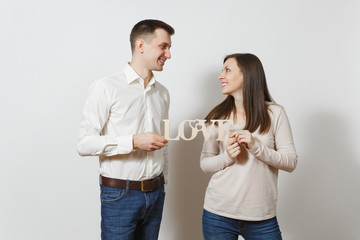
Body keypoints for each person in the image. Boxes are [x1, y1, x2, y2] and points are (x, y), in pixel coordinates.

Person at [77, 19, 174, 240]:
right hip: (120, 195)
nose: (168, 55)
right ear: (141, 46)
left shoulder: (163, 93)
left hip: (156, 193)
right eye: (163, 46)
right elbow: (83, 144)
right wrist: (132, 141)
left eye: (169, 48)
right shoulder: (106, 87)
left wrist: (163, 184)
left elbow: (163, 144)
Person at [200, 53, 298, 240]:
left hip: (262, 217)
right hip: (217, 215)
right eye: (222, 71)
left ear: (247, 74)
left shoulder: (275, 113)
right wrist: (227, 157)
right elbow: (205, 163)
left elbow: (290, 162)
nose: (221, 76)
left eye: (227, 70)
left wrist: (256, 146)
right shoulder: (218, 117)